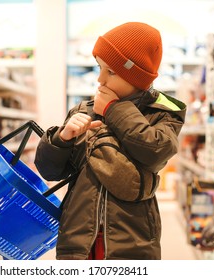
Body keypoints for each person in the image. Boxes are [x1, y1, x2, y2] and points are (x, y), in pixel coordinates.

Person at [34, 22, 186, 260]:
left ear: (136, 76)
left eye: (112, 72)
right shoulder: (84, 109)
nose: (100, 80)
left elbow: (156, 150)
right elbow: (49, 170)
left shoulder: (165, 111)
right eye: (99, 68)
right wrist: (61, 139)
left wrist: (114, 109)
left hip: (132, 239)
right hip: (78, 236)